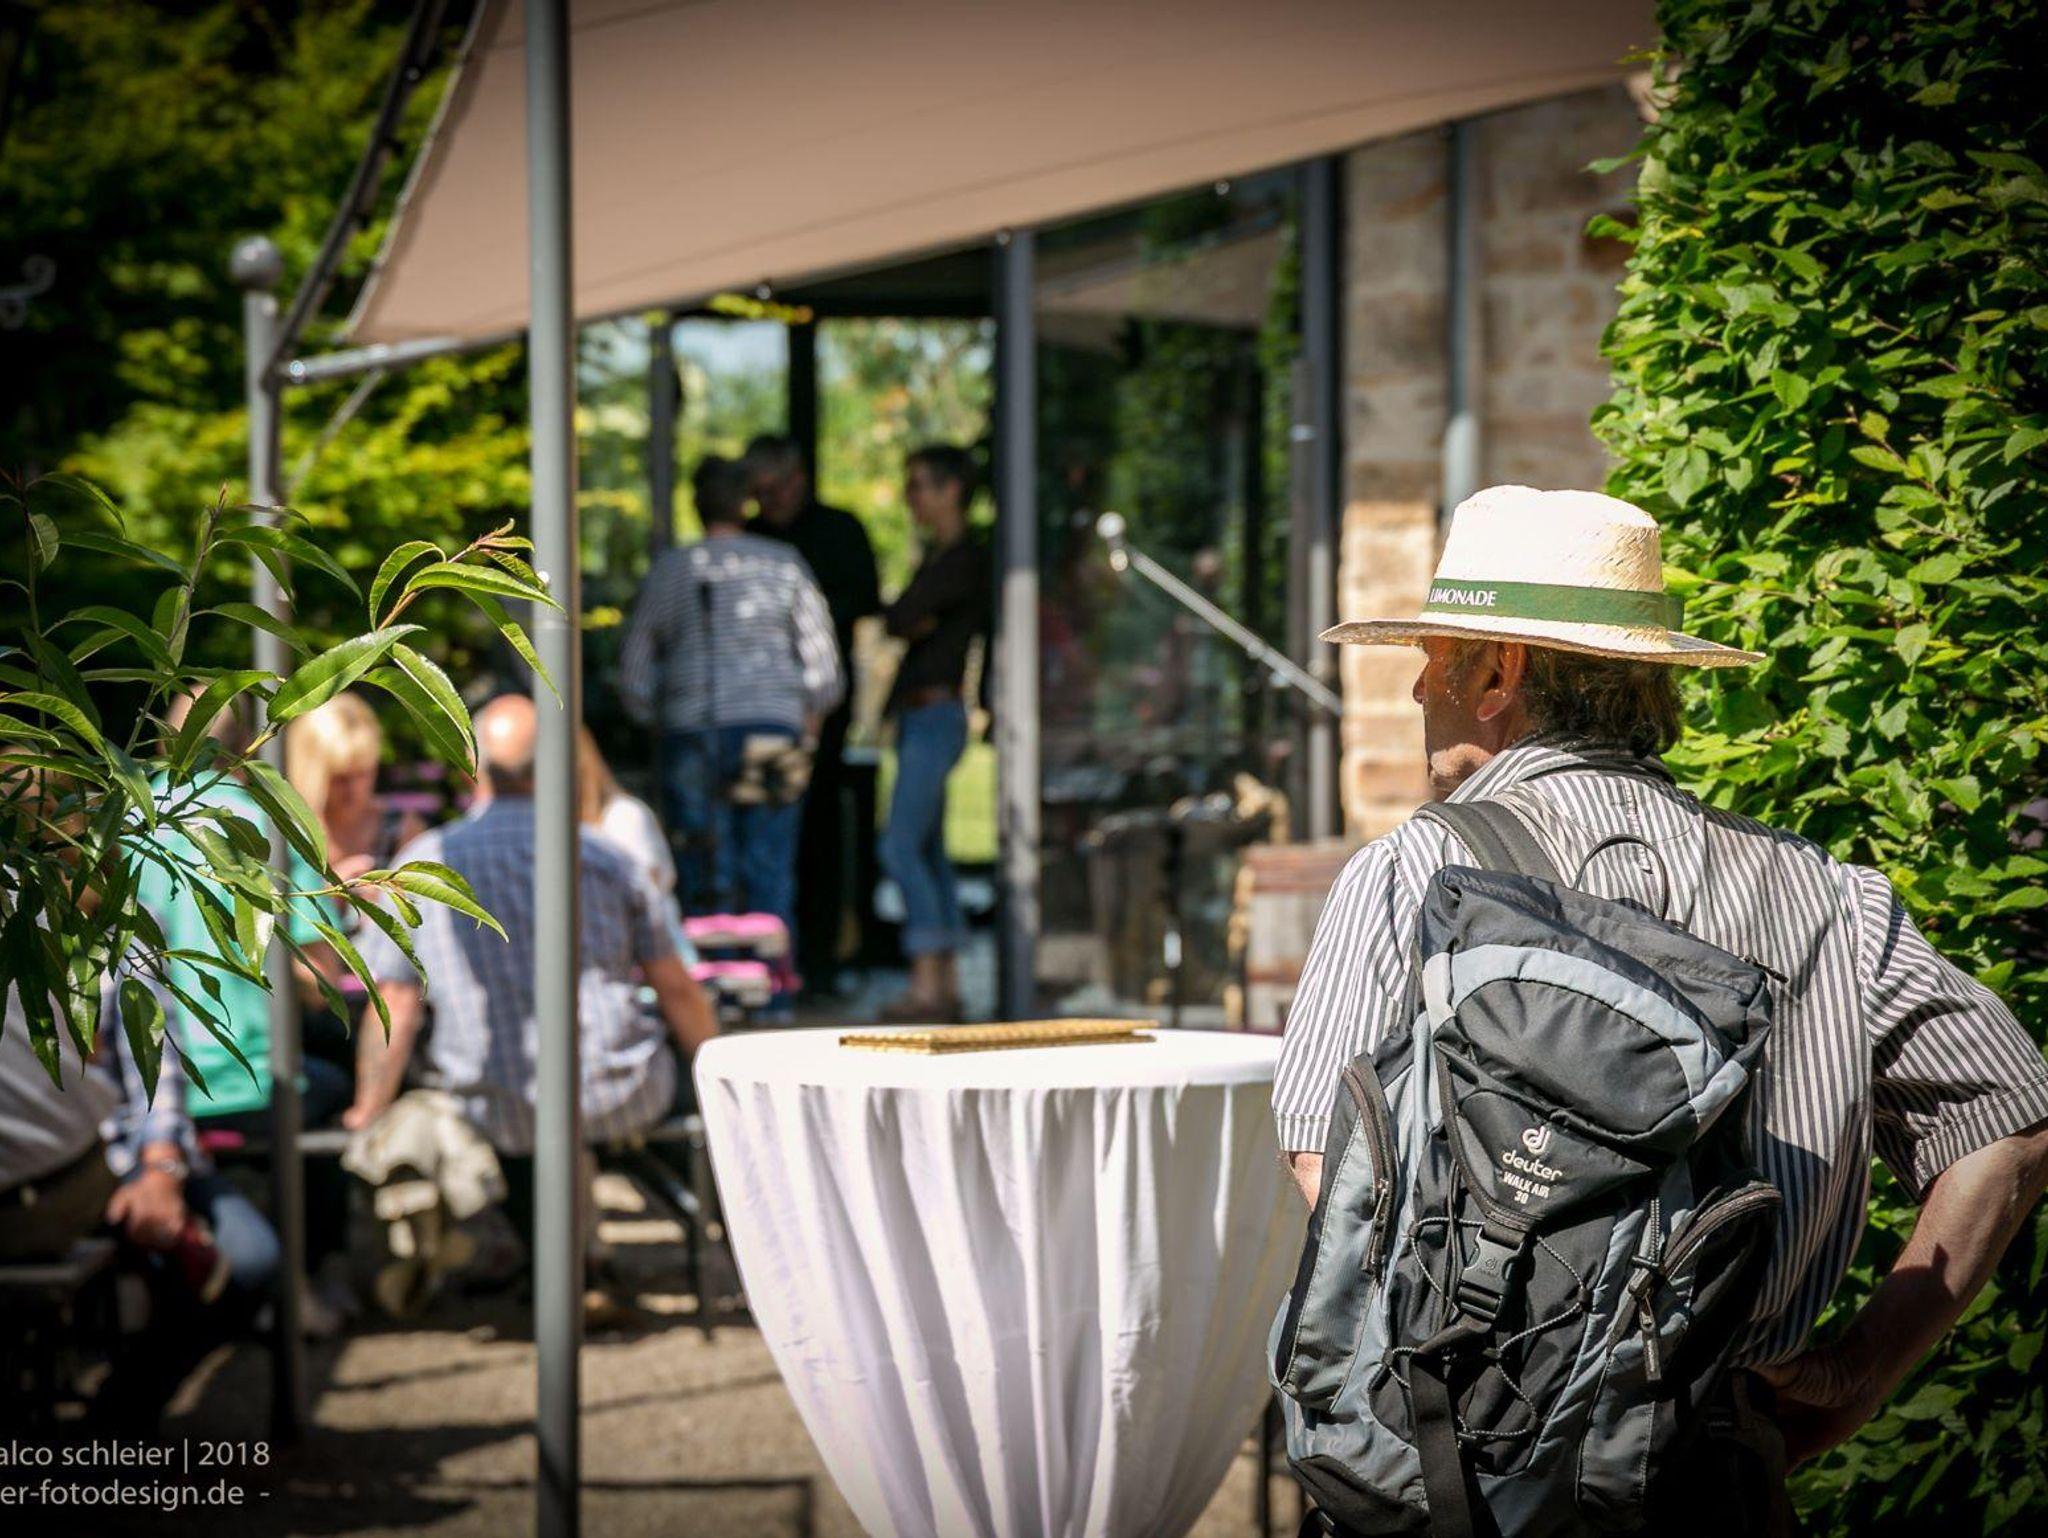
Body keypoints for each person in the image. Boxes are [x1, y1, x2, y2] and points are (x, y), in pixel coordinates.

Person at [1274, 486, 2048, 1528]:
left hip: (1455, 1458)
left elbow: (1328, 1166)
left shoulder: (1412, 873)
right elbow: (2012, 1125)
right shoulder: (1827, 896)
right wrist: (1861, 1368)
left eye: (1434, 655)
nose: (1416, 687)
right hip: (1712, 1472)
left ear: (1498, 675)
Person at [344, 695, 719, 1259]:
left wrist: (368, 1110)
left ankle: (550, 1262)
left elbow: (395, 1000)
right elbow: (676, 987)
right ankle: (627, 1254)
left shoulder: (423, 865)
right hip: (618, 1091)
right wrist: (720, 1075)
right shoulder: (606, 857)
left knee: (500, 1106)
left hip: (490, 1103)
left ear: (471, 769)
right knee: (656, 1088)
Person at [133, 693, 354, 1333]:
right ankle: (309, 1277)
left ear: (162, 744)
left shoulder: (125, 822)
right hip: (250, 1079)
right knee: (331, 1090)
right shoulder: (266, 825)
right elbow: (320, 972)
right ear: (248, 747)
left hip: (149, 1086)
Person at [0, 977, 279, 1432]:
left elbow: (158, 1070)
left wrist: (160, 1171)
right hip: (57, 1170)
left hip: (126, 1156)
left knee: (249, 1259)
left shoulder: (122, 944)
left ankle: (119, 1417)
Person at [620, 455, 843, 940]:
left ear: (695, 504)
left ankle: (715, 976)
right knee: (769, 865)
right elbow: (825, 670)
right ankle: (772, 976)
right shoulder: (784, 564)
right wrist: (806, 718)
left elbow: (635, 671)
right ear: (746, 504)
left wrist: (655, 717)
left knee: (703, 866)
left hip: (693, 733)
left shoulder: (674, 569)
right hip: (773, 731)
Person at [745, 433, 882, 997]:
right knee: (768, 833)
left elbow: (867, 601)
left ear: (798, 479)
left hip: (819, 714)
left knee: (819, 832)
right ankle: (768, 969)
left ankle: (820, 962)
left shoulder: (839, 531)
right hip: (763, 713)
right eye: (759, 491)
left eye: (776, 488)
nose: (769, 500)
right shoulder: (751, 539)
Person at [877, 445, 991, 1021]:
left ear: (952, 491)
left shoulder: (963, 560)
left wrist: (914, 617)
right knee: (928, 849)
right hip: (923, 713)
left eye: (918, 486)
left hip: (937, 713)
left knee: (899, 845)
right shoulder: (941, 557)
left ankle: (927, 982)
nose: (910, 499)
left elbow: (902, 616)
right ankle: (944, 985)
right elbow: (903, 618)